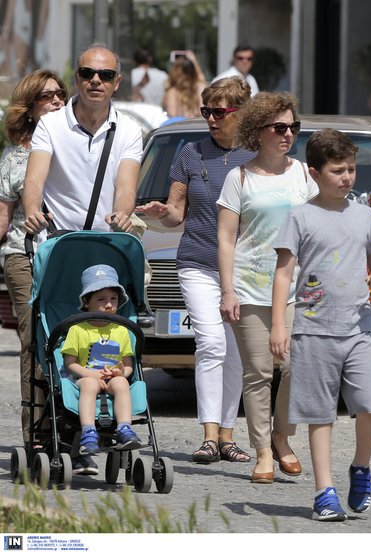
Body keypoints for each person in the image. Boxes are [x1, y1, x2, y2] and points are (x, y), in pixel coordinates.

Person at [270, 129, 371, 521]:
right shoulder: (300, 217)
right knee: (320, 414)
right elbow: (283, 274)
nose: (347, 177)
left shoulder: (364, 214)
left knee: (370, 405)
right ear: (314, 172)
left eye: (351, 169)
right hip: (313, 329)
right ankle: (324, 491)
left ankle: (361, 467)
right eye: (338, 171)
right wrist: (278, 325)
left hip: (360, 328)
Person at [136, 77, 255, 465]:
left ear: (241, 113)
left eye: (220, 112)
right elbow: (176, 212)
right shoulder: (190, 153)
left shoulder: (257, 155)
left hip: (244, 268)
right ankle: (208, 436)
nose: (211, 119)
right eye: (207, 111)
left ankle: (227, 436)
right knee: (212, 343)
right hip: (197, 263)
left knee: (234, 353)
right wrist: (162, 213)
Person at [217, 92, 315, 483]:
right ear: (258, 131)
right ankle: (262, 450)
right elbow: (226, 238)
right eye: (279, 127)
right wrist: (227, 290)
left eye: (293, 127)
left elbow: (319, 227)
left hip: (295, 290)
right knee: (258, 371)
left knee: (294, 367)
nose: (288, 134)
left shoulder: (304, 174)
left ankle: (281, 436)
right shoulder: (239, 177)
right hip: (250, 286)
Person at [0, 69, 66, 453]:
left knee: (74, 338)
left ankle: (73, 428)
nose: (57, 101)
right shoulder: (14, 157)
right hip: (22, 255)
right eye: (47, 96)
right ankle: (38, 436)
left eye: (60, 94)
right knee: (35, 340)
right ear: (29, 107)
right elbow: (3, 218)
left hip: (68, 253)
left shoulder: (77, 147)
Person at [22, 43, 141, 236]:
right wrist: (32, 212)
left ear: (117, 82)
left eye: (106, 75)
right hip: (56, 240)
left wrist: (121, 214)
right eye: (87, 73)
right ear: (77, 78)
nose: (96, 80)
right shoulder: (50, 124)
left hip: (105, 242)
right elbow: (34, 180)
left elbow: (126, 188)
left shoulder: (129, 130)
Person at [61, 264, 143, 475]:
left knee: (122, 382)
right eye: (101, 299)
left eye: (113, 299)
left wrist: (121, 373)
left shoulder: (121, 330)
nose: (108, 304)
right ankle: (88, 432)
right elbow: (70, 363)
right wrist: (91, 374)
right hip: (84, 377)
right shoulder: (77, 329)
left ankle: (124, 428)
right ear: (86, 302)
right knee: (89, 384)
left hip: (112, 378)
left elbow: (128, 365)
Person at [163, 52, 207, 118]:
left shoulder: (172, 91)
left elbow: (172, 114)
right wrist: (194, 62)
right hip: (197, 123)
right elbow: (201, 79)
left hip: (180, 124)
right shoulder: (199, 88)